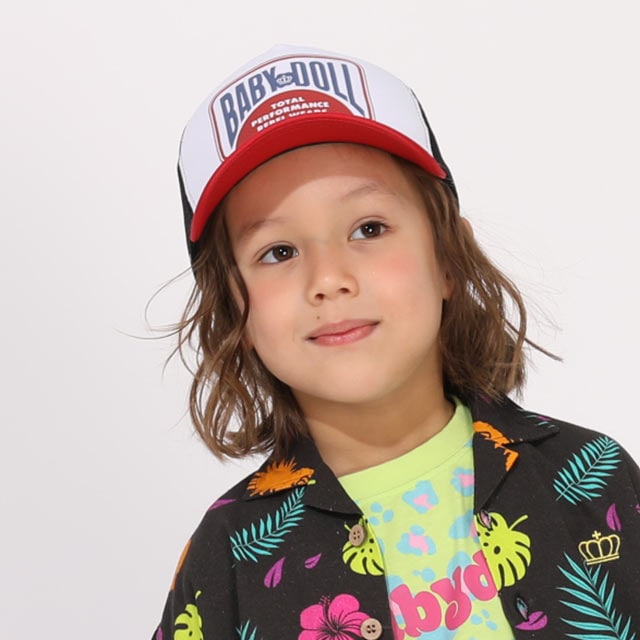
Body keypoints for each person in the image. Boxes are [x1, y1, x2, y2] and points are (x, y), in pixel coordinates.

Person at [152, 45, 640, 640]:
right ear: (236, 309)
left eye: (369, 228)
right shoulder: (228, 557)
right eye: (278, 252)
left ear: (448, 257)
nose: (329, 279)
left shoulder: (592, 475)